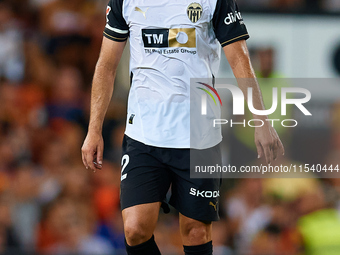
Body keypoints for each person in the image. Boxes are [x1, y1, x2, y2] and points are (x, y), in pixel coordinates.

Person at [81, 0, 284, 254]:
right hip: (144, 133)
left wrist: (261, 120)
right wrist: (94, 129)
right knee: (134, 230)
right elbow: (106, 65)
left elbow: (239, 59)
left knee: (196, 232)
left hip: (198, 136)